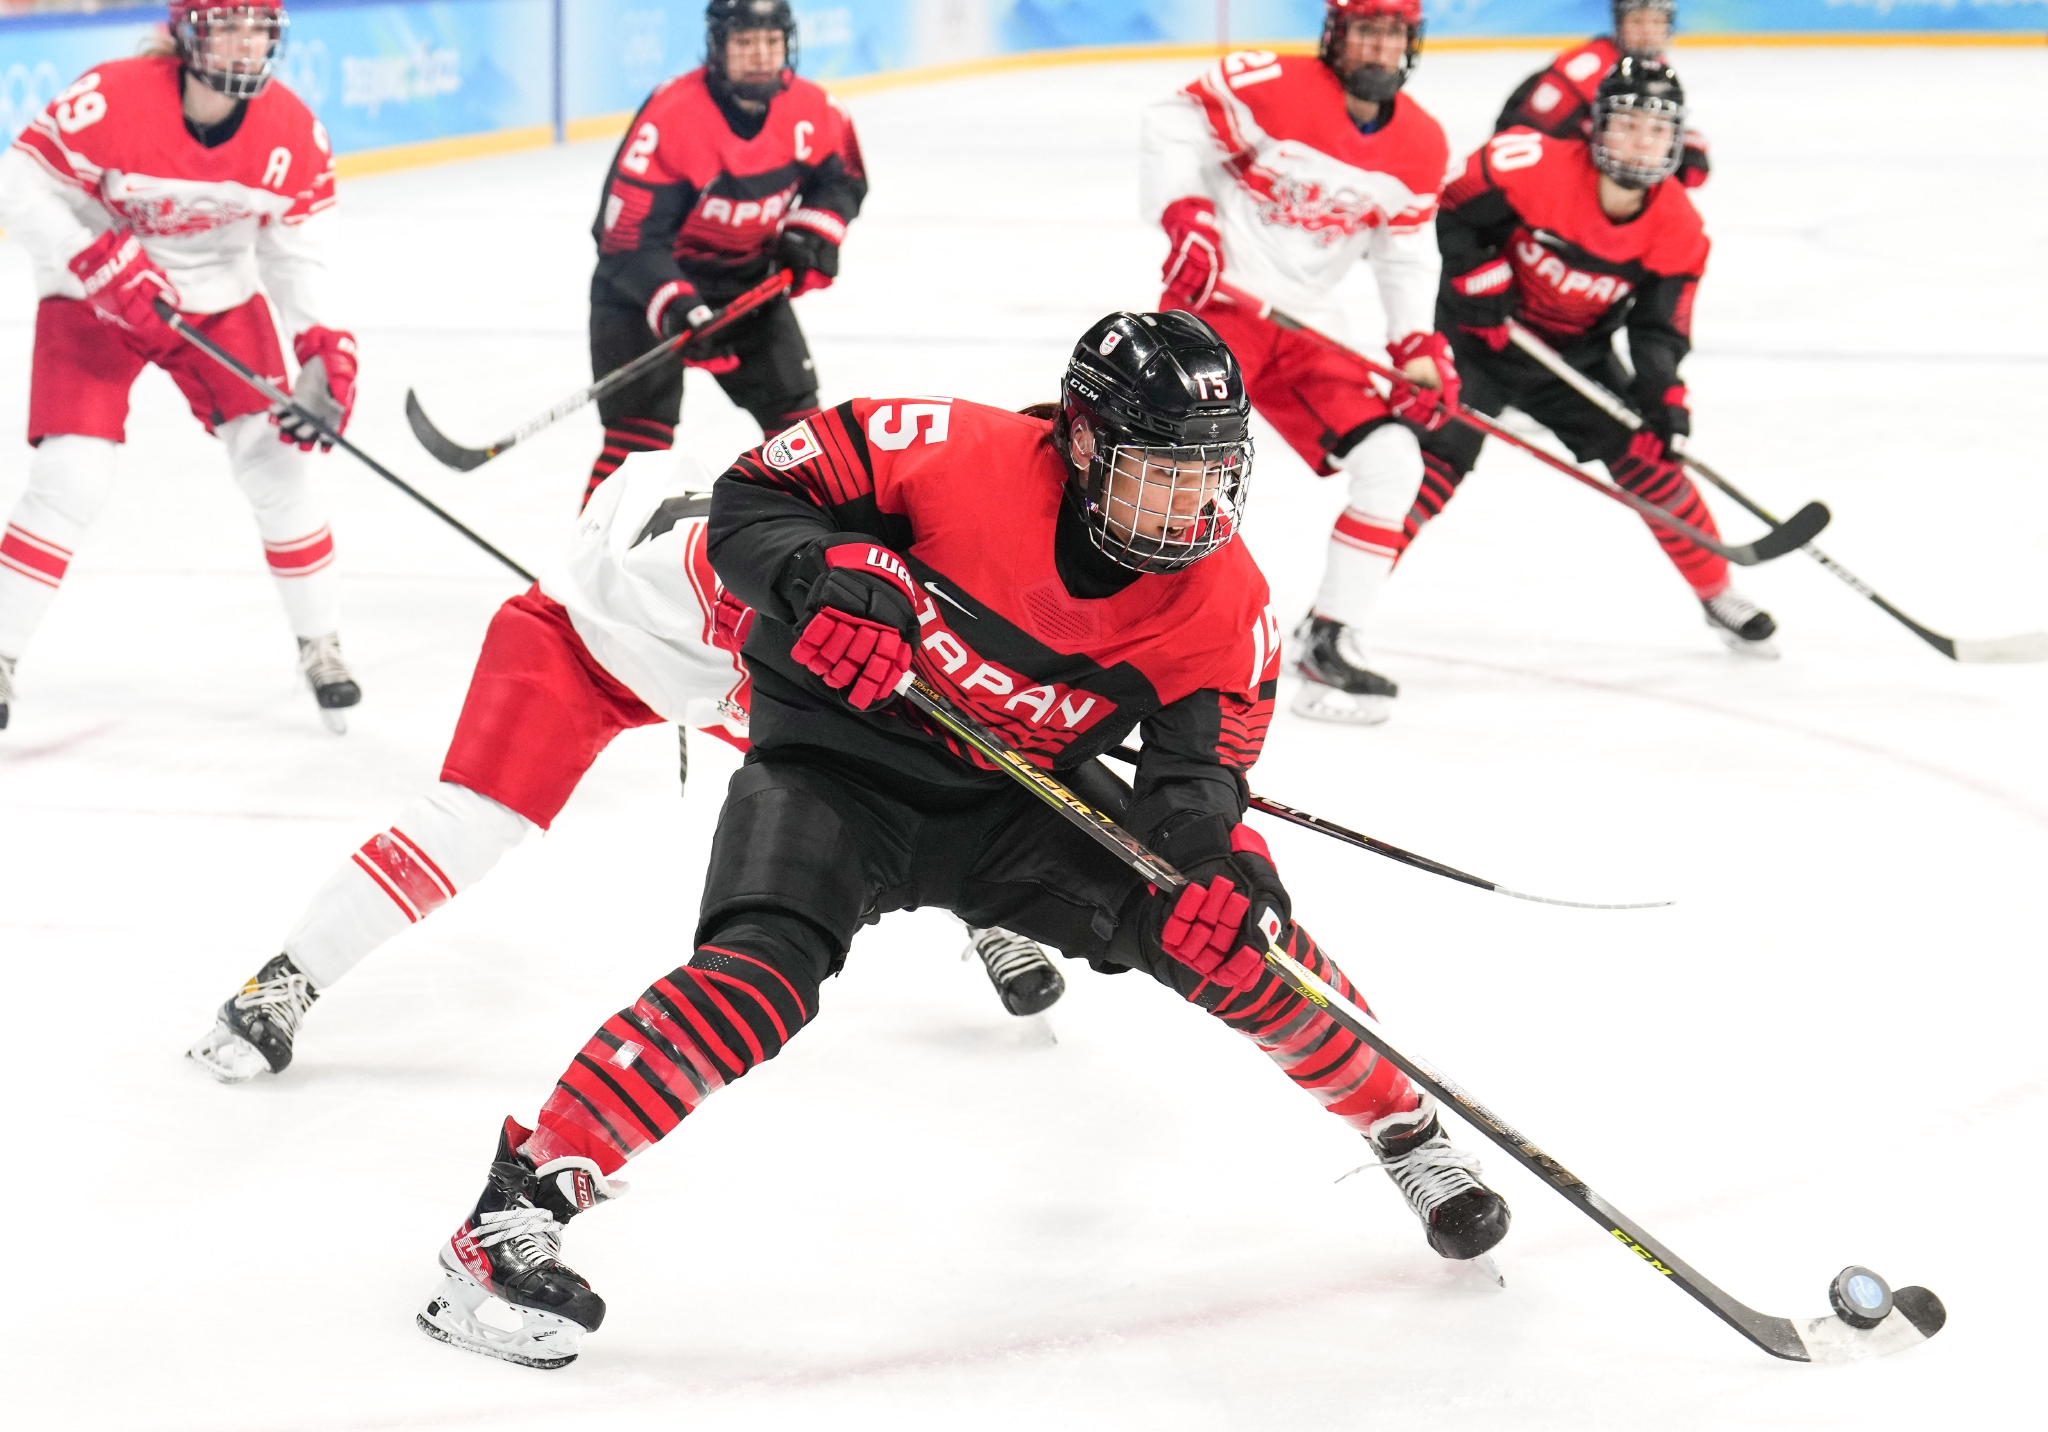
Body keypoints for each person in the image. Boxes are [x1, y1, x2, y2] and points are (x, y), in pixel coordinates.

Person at [414, 312, 1510, 1370]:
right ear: (1080, 441)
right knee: (755, 977)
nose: (1191, 504)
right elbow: (755, 498)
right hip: (837, 765)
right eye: (1161, 469)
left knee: (1234, 940)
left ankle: (1404, 1130)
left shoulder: (1223, 602)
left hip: (1017, 793)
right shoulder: (937, 448)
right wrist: (816, 574)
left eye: (1211, 471)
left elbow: (1196, 775)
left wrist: (1208, 864)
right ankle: (514, 1212)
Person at [188, 451, 1063, 1082]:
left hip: (731, 667)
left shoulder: (866, 555)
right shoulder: (732, 566)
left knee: (909, 765)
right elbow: (647, 551)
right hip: (577, 646)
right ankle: (284, 980)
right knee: (471, 821)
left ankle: (987, 916)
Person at [0, 3, 362, 733]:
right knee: (73, 473)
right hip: (93, 297)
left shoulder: (293, 133)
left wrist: (324, 345)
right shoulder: (112, 98)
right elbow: (19, 183)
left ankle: (320, 643)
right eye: (228, 24)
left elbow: (298, 255)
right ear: (189, 32)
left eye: (259, 27)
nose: (245, 42)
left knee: (279, 466)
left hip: (218, 298)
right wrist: (96, 259)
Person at [1139, 0, 1454, 725]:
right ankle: (1141, 625)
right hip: (1221, 306)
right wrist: (1188, 214)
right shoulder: (1272, 85)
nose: (1379, 47)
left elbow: (1405, 251)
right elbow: (1170, 119)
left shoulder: (1421, 143)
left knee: (1394, 461)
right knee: (1172, 470)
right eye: (1366, 31)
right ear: (1335, 37)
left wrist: (1415, 343)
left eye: (1393, 34)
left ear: (1412, 44)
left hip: (1308, 325)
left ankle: (1330, 637)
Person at [1402, 58, 1776, 654]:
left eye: (1655, 131)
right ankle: (1337, 613)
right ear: (1595, 127)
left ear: (1676, 142)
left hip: (1573, 357)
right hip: (1479, 340)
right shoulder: (1530, 163)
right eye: (1627, 124)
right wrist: (1477, 276)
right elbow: (1447, 210)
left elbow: (1658, 330)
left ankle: (1717, 593)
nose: (1639, 143)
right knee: (1427, 469)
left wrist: (1664, 397)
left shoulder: (1680, 228)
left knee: (1652, 463)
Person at [581, 0, 866, 509]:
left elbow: (841, 178)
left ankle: (812, 558)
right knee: (637, 445)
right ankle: (580, 578)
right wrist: (679, 306)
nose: (760, 55)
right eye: (744, 42)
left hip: (747, 287)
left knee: (802, 439)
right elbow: (625, 239)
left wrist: (810, 232)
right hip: (644, 292)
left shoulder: (815, 111)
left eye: (771, 41)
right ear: (718, 48)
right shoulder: (673, 117)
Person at [1495, 1, 1708, 190]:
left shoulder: (1655, 70)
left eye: (1656, 22)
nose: (1647, 32)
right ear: (1619, 25)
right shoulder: (1584, 68)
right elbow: (1523, 131)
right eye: (1636, 22)